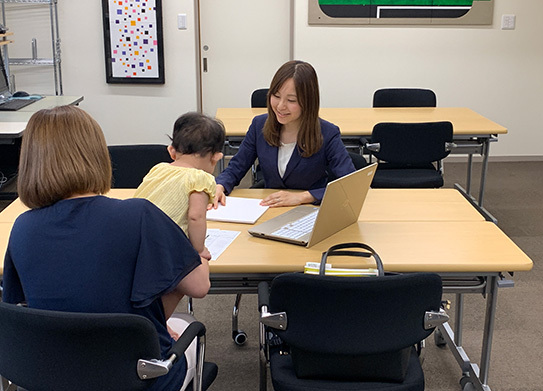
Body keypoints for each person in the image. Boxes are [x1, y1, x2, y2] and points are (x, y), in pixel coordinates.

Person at [2, 106, 210, 391]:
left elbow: (33, 306)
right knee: (187, 325)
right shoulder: (139, 215)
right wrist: (199, 256)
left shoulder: (22, 228)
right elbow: (198, 286)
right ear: (97, 153)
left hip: (52, 375)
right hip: (140, 376)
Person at [213, 60, 355, 208]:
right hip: (270, 209)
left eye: (291, 100)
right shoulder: (259, 125)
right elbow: (236, 166)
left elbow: (350, 184)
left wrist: (303, 197)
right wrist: (220, 186)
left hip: (309, 211)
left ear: (308, 102)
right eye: (276, 96)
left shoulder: (327, 133)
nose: (280, 106)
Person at [134, 112, 225, 261]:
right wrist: (199, 249)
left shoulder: (158, 168)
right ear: (216, 157)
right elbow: (196, 217)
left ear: (172, 151)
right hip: (166, 248)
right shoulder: (200, 178)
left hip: (138, 239)